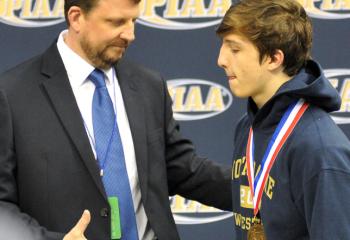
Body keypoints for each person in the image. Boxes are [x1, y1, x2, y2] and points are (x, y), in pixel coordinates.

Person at [0, 0, 232, 239]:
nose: (130, 34)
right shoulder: (12, 94)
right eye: (117, 22)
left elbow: (183, 170)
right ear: (76, 18)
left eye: (133, 21)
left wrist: (258, 189)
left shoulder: (149, 86)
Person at [217, 0, 350, 239]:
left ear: (273, 59)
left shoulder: (321, 149)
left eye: (234, 49)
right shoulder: (247, 127)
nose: (221, 60)